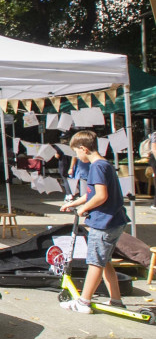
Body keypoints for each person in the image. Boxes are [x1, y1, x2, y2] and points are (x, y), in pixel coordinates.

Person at [59, 130, 129, 313]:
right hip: (115, 220)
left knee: (95, 262)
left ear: (83, 148)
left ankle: (84, 302)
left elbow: (100, 196)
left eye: (76, 152)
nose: (76, 155)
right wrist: (74, 203)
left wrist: (84, 209)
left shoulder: (97, 167)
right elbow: (90, 193)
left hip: (103, 222)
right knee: (105, 262)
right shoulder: (104, 164)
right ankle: (116, 300)